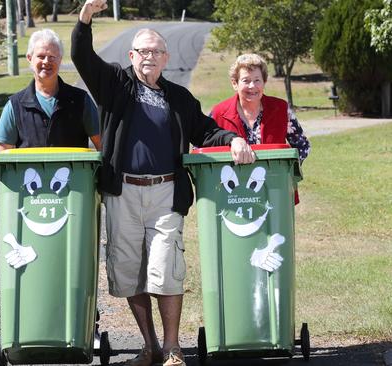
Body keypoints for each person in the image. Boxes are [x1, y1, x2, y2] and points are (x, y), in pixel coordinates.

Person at [71, 2, 255, 365]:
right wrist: (85, 17)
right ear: (132, 55)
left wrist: (232, 139)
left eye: (156, 51)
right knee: (129, 272)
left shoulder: (179, 98)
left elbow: (206, 130)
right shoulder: (114, 84)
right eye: (143, 51)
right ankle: (149, 346)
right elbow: (81, 54)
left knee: (166, 269)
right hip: (123, 192)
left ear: (166, 58)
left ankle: (173, 348)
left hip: (166, 194)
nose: (149, 57)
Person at [0, 28, 101, 152]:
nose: (46, 62)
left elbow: (103, 145)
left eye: (52, 57)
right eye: (41, 56)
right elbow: (0, 155)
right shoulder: (14, 106)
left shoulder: (81, 101)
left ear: (60, 59)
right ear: (29, 58)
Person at [210, 53, 310, 164]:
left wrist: (286, 172)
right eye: (246, 81)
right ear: (235, 83)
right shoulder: (218, 113)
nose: (252, 86)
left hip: (273, 179)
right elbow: (200, 150)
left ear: (264, 82)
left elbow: (303, 146)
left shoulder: (281, 109)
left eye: (257, 80)